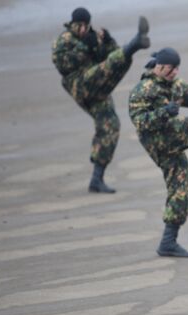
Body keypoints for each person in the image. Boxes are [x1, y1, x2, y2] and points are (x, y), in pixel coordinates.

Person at [52, 7, 150, 193]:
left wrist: (107, 41)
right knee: (110, 65)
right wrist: (86, 47)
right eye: (78, 25)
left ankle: (97, 179)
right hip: (80, 85)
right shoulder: (64, 40)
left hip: (97, 88)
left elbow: (110, 55)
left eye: (85, 25)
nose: (82, 29)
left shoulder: (92, 35)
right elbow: (63, 64)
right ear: (72, 24)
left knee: (110, 126)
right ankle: (135, 43)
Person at [128, 47, 188, 258]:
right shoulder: (143, 89)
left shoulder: (174, 84)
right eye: (171, 69)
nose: (175, 73)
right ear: (159, 67)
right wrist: (163, 113)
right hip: (158, 140)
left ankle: (168, 242)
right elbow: (139, 122)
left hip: (170, 138)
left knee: (182, 188)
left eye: (177, 69)